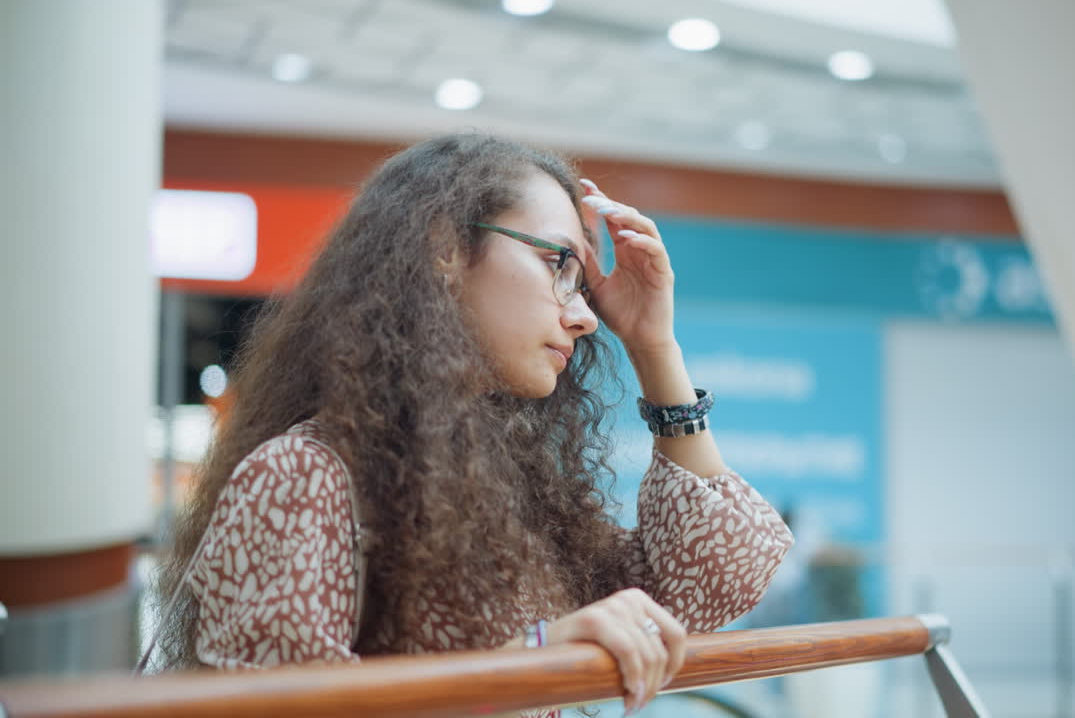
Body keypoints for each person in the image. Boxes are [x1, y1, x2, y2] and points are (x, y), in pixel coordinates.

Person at [151, 134, 794, 716]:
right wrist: (530, 659)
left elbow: (714, 578)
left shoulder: (500, 483)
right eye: (558, 264)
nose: (585, 317)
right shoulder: (303, 474)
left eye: (582, 284)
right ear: (446, 248)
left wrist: (655, 346)